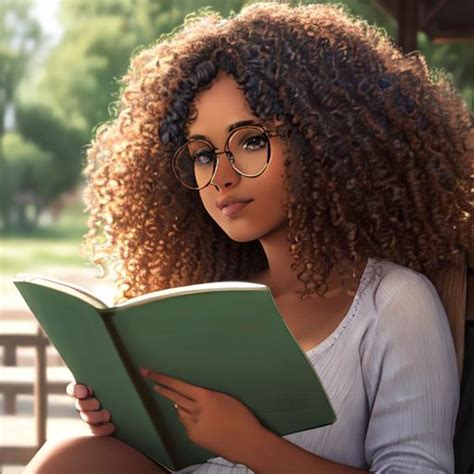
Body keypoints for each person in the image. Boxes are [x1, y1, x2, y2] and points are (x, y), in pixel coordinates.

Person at [25, 2, 473, 473]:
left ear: (326, 140)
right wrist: (127, 421)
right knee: (70, 455)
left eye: (252, 141)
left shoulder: (393, 301)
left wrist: (247, 442)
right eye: (202, 154)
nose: (221, 177)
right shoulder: (201, 298)